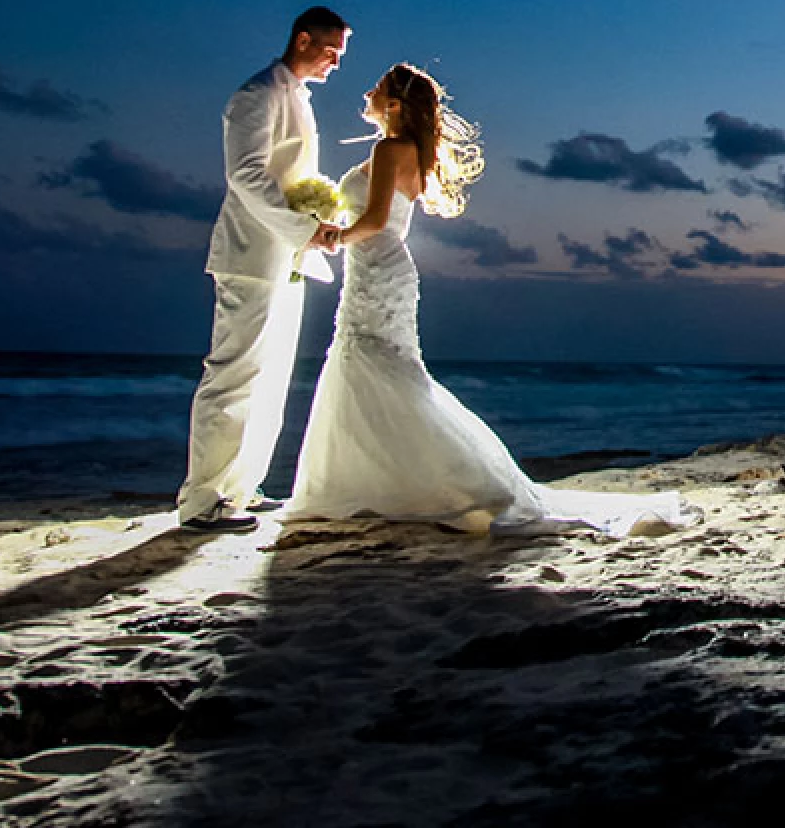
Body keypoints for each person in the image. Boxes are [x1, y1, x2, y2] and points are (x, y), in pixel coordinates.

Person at [289, 63, 698, 536]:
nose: (367, 94)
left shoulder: (388, 149)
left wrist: (333, 236)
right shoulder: (413, 153)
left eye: (376, 89)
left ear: (395, 105)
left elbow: (376, 220)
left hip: (377, 266)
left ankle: (394, 481)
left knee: (373, 360)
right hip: (386, 268)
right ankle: (387, 480)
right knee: (384, 364)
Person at [178, 7, 351, 533]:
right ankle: (203, 500)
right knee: (233, 374)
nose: (335, 63)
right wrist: (304, 227)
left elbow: (291, 173)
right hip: (251, 255)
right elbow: (246, 175)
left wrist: (317, 221)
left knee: (271, 378)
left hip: (288, 257)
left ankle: (240, 487)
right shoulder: (257, 95)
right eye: (331, 52)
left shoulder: (297, 97)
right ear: (303, 40)